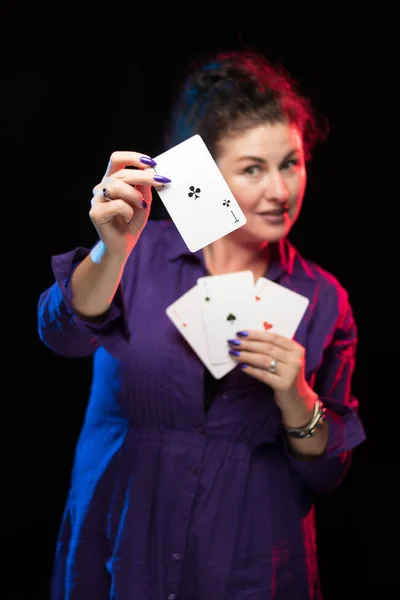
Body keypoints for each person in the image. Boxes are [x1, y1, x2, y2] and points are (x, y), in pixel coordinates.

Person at [38, 49, 366, 600]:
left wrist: (297, 397)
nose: (281, 191)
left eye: (291, 162)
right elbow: (61, 334)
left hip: (253, 564)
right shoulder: (137, 252)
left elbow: (328, 474)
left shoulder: (323, 298)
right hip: (121, 548)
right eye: (252, 169)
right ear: (208, 175)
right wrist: (111, 252)